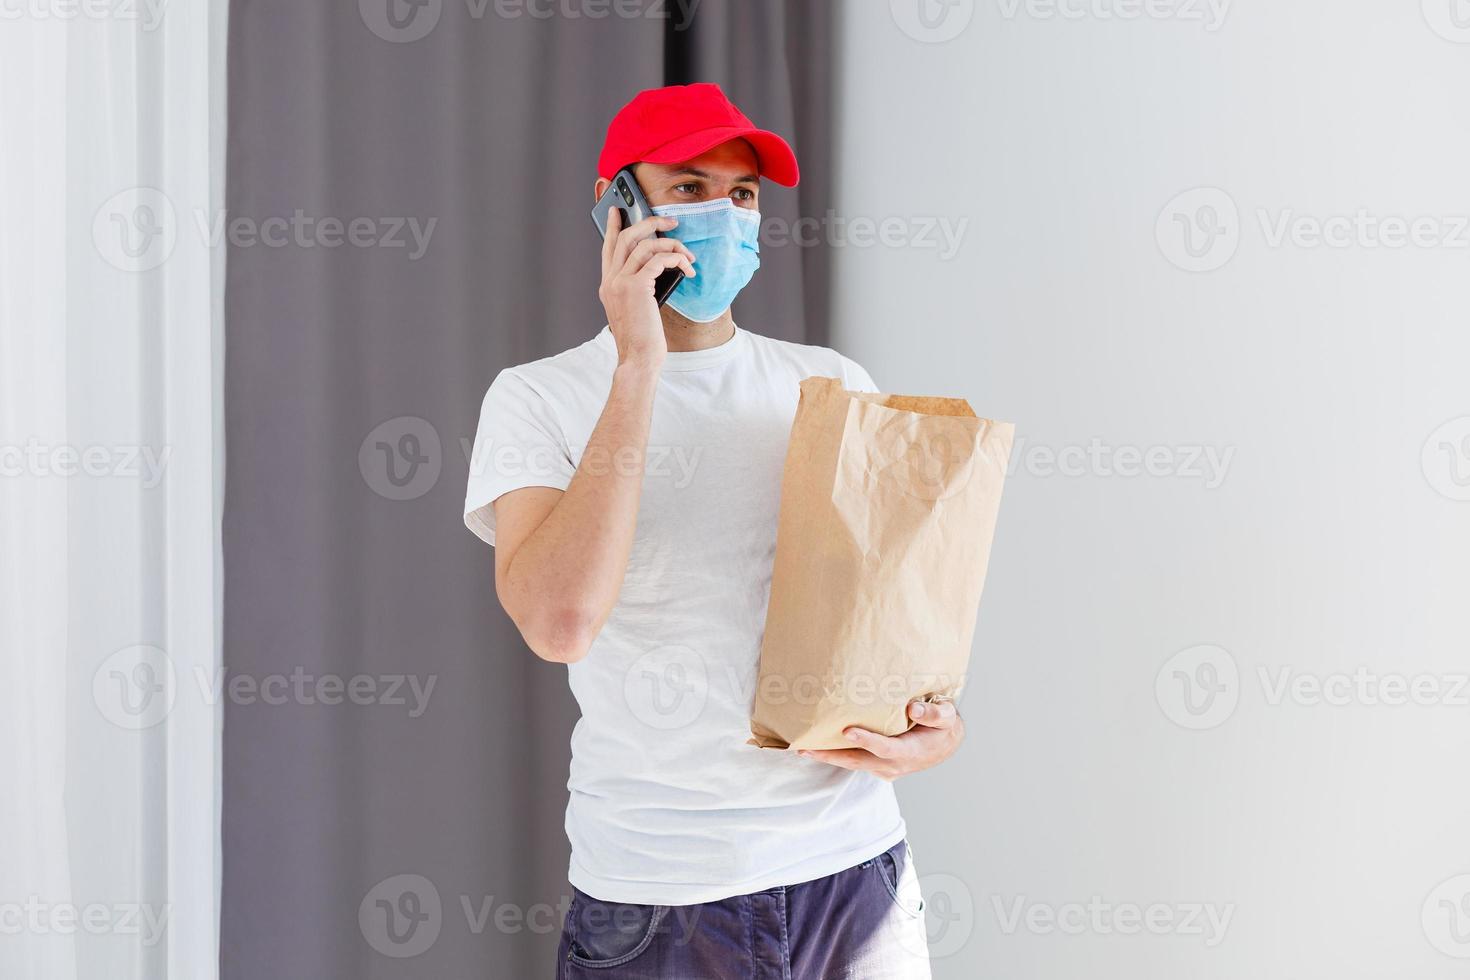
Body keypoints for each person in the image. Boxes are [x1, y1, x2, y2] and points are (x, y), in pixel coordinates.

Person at [464, 82, 960, 978]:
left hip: (855, 875)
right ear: (616, 208)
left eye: (742, 197)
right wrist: (639, 366)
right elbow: (558, 622)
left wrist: (931, 722)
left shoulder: (830, 381)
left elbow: (891, 620)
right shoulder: (537, 398)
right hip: (660, 897)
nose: (723, 217)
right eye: (689, 190)